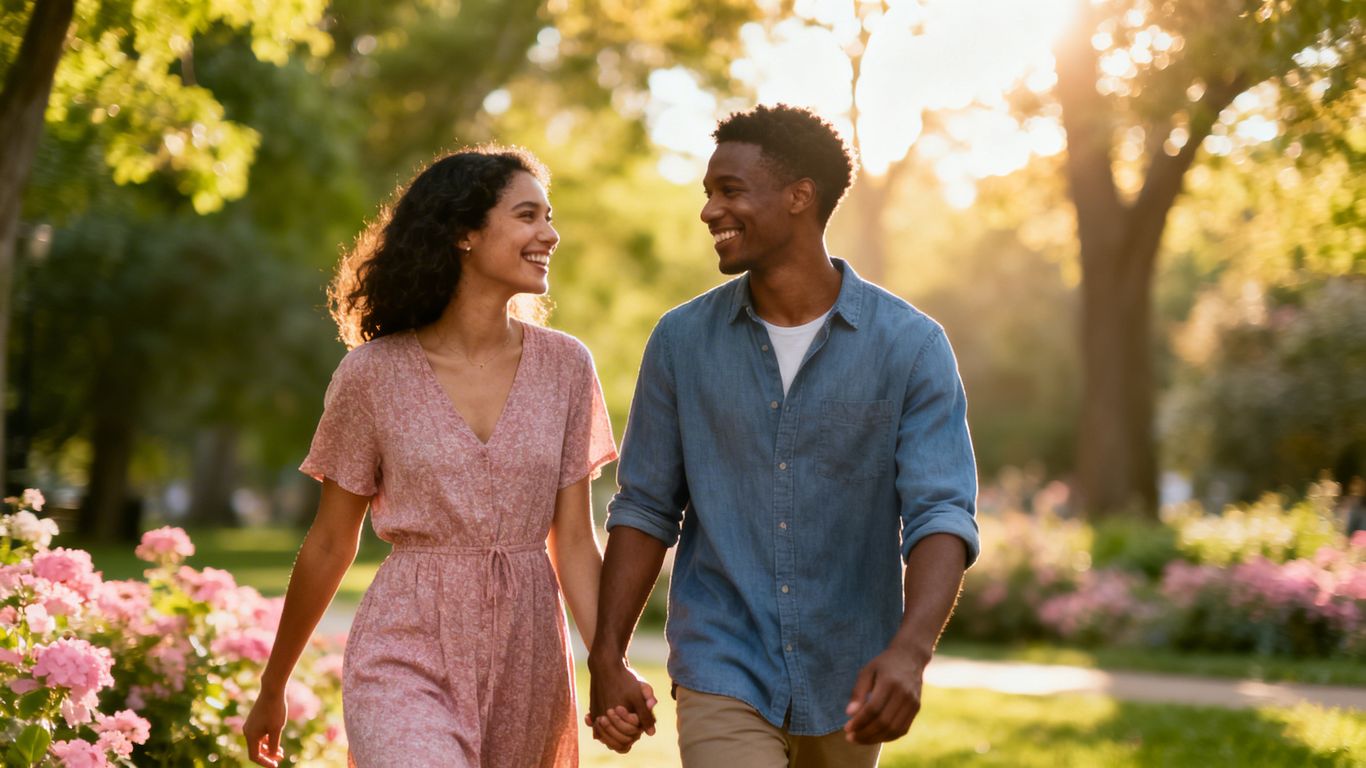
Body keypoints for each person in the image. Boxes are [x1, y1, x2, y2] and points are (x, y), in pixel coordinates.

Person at [586, 105, 980, 767]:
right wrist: (606, 655)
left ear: (801, 197)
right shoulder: (681, 343)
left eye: (730, 191)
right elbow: (646, 507)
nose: (710, 211)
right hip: (722, 662)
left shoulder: (910, 347)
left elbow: (940, 510)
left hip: (852, 672)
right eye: (708, 193)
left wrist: (910, 653)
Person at [242, 146, 650, 767]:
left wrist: (609, 664)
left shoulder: (567, 366)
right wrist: (275, 685)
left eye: (549, 216)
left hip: (528, 652)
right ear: (464, 232)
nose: (550, 234)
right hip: (405, 645)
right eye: (528, 216)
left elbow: (572, 542)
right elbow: (329, 541)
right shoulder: (372, 375)